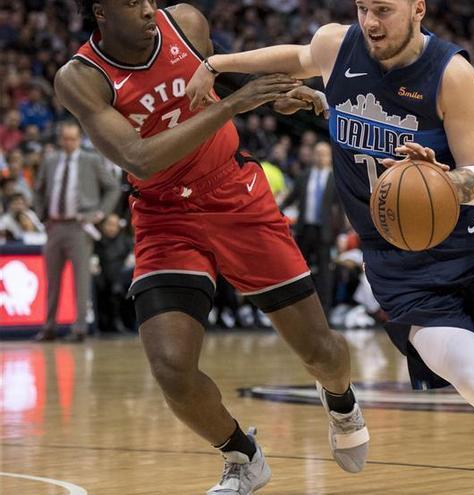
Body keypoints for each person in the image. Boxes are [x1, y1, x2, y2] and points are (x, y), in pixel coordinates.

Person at [186, 1, 474, 493]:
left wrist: (448, 183)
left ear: (418, 8)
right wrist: (217, 63)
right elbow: (295, 58)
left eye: (383, 9)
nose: (371, 22)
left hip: (473, 244)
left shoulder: (452, 72)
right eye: (362, 8)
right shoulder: (337, 46)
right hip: (396, 262)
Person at [55, 2, 369, 493]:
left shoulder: (185, 23)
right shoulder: (81, 77)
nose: (146, 9)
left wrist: (275, 94)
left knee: (320, 350)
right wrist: (235, 106)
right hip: (163, 216)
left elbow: (211, 85)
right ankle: (242, 455)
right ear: (100, 10)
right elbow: (139, 157)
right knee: (171, 370)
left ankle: (343, 401)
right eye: (132, 2)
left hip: (233, 195)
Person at [33, 121, 120, 341]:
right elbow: (39, 189)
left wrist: (100, 214)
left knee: (81, 279)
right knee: (52, 280)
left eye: (73, 138)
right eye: (65, 138)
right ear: (60, 139)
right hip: (54, 226)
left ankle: (80, 328)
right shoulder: (50, 160)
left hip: (80, 226)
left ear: (79, 139)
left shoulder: (91, 160)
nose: (69, 143)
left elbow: (113, 187)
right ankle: (49, 326)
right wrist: (41, 214)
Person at [280, 141, 343, 313]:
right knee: (299, 270)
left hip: (325, 232)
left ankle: (325, 311)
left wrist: (340, 232)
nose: (321, 157)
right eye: (318, 153)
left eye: (324, 154)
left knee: (325, 273)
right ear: (313, 155)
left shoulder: (335, 178)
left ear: (330, 157)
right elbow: (290, 198)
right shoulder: (304, 175)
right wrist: (276, 212)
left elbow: (342, 208)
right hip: (304, 229)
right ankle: (299, 309)